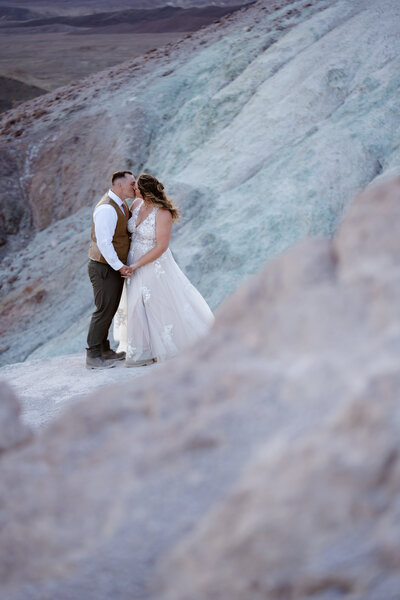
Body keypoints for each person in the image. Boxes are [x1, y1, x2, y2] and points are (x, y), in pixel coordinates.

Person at [114, 173, 214, 366]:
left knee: (156, 304)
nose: (132, 190)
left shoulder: (162, 214)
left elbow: (161, 247)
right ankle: (144, 349)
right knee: (134, 304)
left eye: (136, 188)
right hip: (132, 260)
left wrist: (136, 265)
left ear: (146, 194)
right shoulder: (135, 205)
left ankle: (174, 345)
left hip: (153, 263)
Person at [86, 170, 137, 369]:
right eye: (132, 183)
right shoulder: (107, 208)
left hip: (111, 267)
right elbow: (104, 243)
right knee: (103, 310)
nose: (135, 186)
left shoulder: (121, 204)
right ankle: (92, 355)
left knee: (110, 309)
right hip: (103, 267)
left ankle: (104, 350)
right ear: (119, 185)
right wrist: (119, 266)